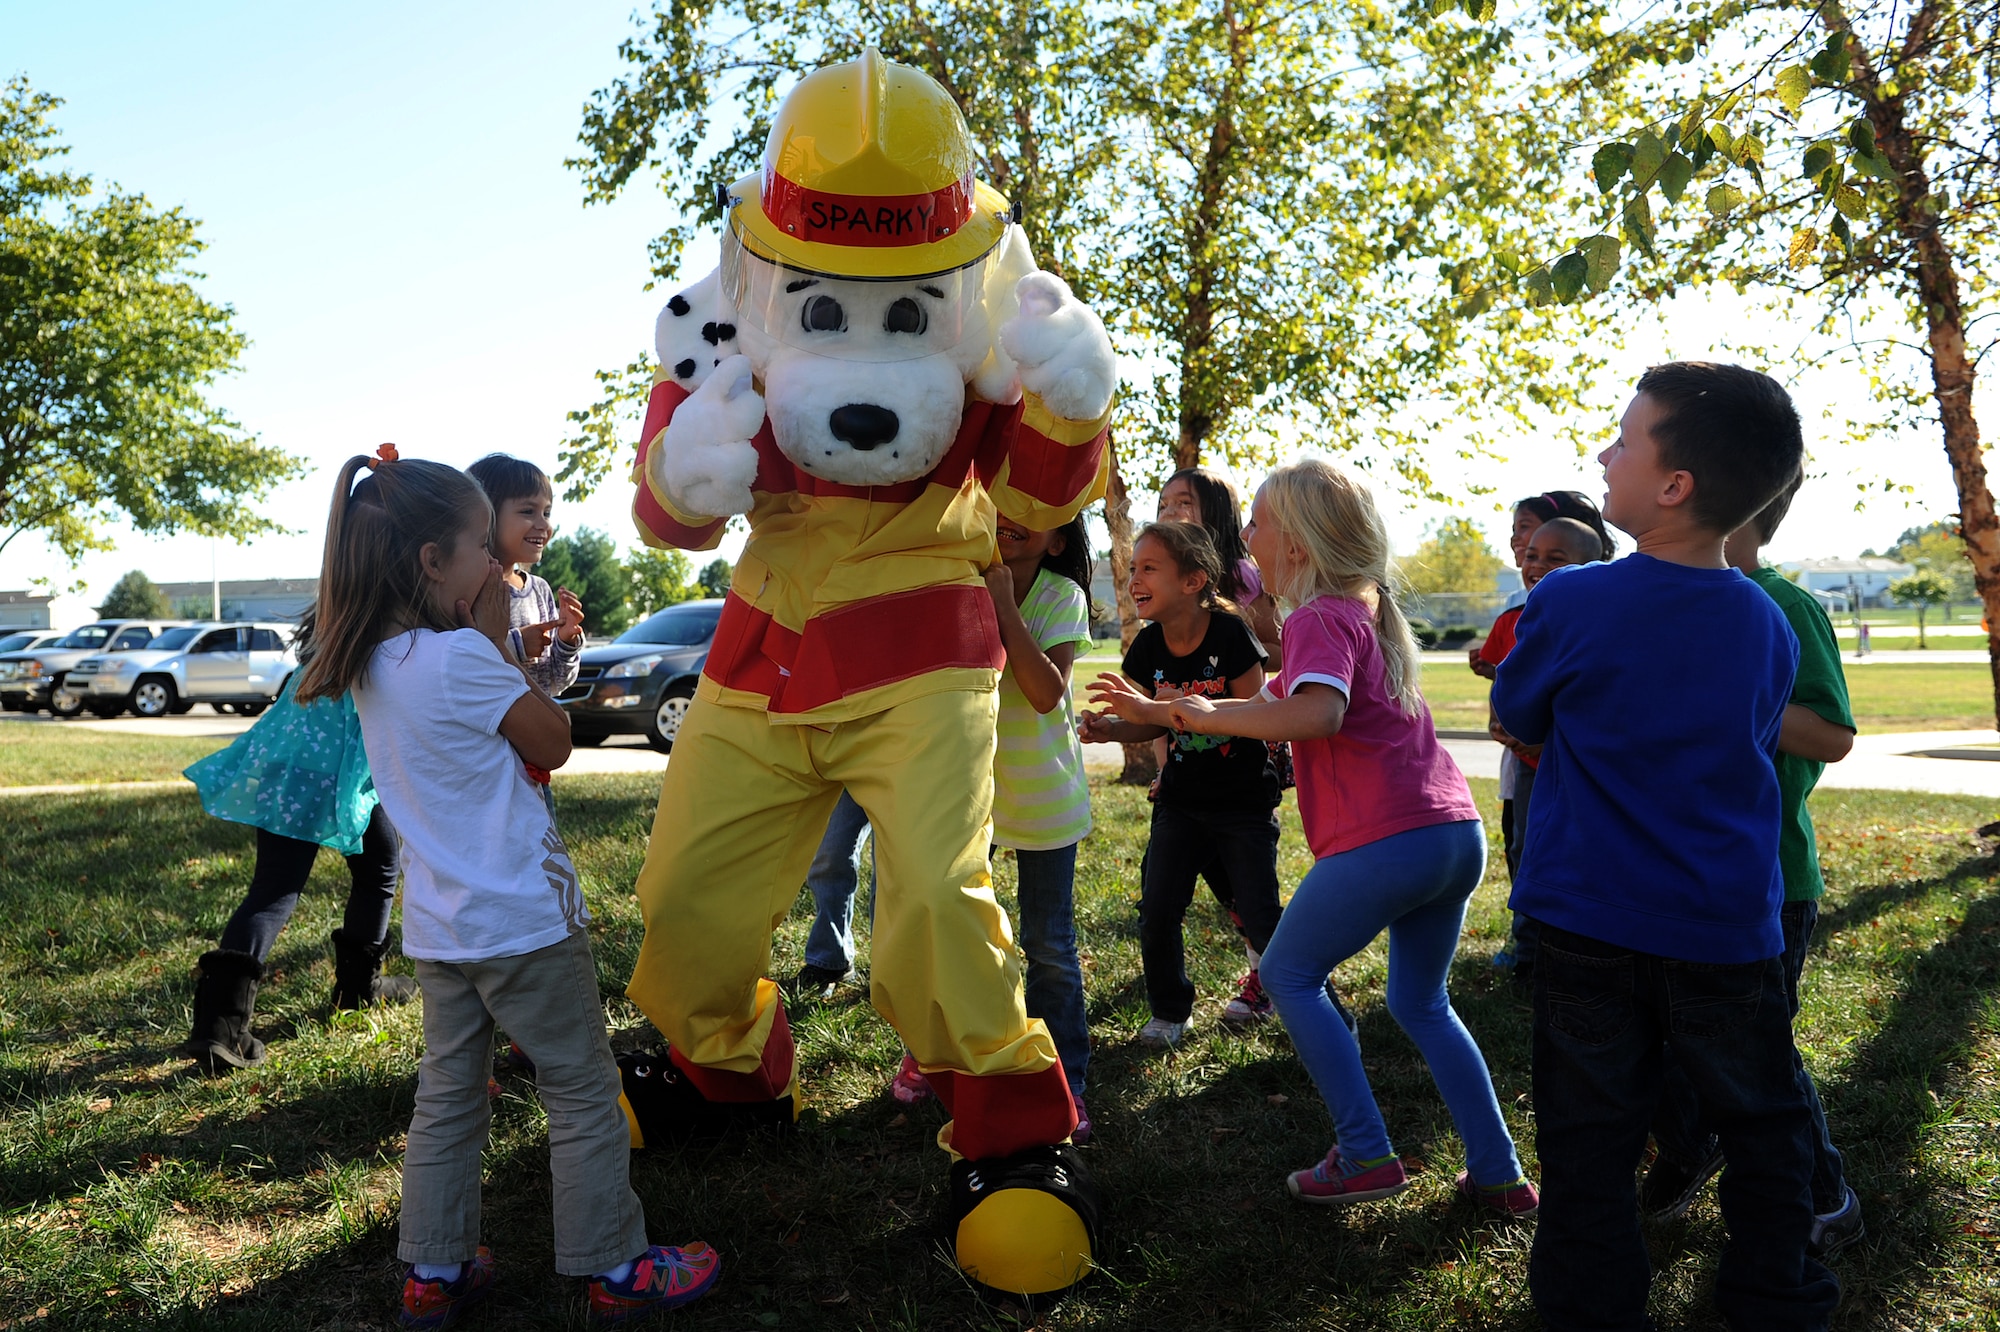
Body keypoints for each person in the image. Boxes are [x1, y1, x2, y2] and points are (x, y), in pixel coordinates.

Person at [294, 447, 719, 1327]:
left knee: (447, 1096)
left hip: (444, 931)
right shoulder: (462, 657)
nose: (499, 565)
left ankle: (435, 1272)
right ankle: (616, 1267)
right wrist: (492, 642)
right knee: (580, 1089)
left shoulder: (377, 662)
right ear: (431, 563)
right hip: (524, 921)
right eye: (483, 547)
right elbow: (553, 741)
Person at [1491, 362, 1839, 1331]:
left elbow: (1515, 711)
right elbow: (1757, 735)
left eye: (1623, 439)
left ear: (1673, 486)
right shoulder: (1768, 621)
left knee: (1586, 1136)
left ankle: (1588, 1309)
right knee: (1761, 1123)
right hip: (1726, 926)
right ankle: (1779, 1299)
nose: (1604, 452)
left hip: (1583, 918)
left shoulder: (1567, 602)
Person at [1130, 459, 1534, 1215]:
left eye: (1257, 522)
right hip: (1453, 834)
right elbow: (1273, 699)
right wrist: (1169, 711)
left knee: (1287, 978)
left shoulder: (1317, 617)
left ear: (1301, 544)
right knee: (1422, 1004)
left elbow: (1315, 714)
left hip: (1388, 839)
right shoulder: (1365, 609)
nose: (1244, 537)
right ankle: (1500, 1174)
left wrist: (1204, 716)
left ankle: (1365, 1153)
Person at [1641, 467, 1864, 1260]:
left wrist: (1730, 697)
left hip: (1767, 877)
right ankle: (1689, 1143)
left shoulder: (1786, 605)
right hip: (1666, 872)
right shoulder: (1663, 599)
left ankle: (1826, 1196)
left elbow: (1833, 736)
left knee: (1753, 1051)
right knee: (1658, 1037)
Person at [180, 611, 414, 1074]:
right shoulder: (401, 615)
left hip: (294, 755)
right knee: (361, 875)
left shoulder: (342, 604)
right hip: (335, 764)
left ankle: (225, 1027)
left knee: (292, 885)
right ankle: (229, 1028)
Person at [1080, 521, 1282, 1046]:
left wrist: (1163, 709)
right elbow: (1153, 721)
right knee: (1158, 909)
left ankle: (1296, 991)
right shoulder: (1148, 647)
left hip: (1243, 804)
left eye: (1149, 568)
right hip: (1181, 802)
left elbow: (1256, 711)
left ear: (1193, 581)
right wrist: (1114, 729)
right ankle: (1171, 1011)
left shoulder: (1230, 634)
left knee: (1260, 914)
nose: (1133, 580)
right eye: (1132, 569)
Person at [1480, 517, 1605, 980]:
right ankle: (1529, 945)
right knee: (1525, 848)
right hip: (1528, 763)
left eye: (1557, 559)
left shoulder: (1595, 620)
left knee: (1572, 853)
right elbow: (1503, 681)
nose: (1538, 565)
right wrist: (1501, 723)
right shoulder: (1512, 620)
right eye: (1532, 554)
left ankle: (1565, 945)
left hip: (1575, 761)